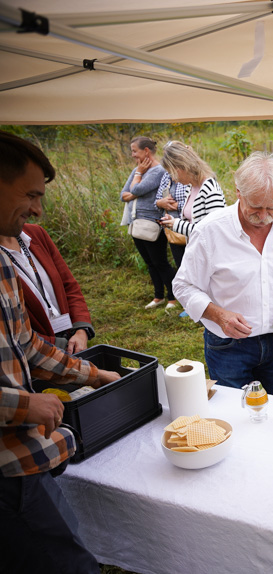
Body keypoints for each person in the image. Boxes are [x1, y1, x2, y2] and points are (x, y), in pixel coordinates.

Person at [0, 130, 121, 574]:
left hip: (25, 457)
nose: (37, 208)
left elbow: (26, 345)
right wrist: (25, 402)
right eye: (30, 194)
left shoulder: (3, 260)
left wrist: (95, 375)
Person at [172, 152, 273, 398]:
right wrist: (219, 315)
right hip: (228, 347)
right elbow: (183, 285)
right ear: (238, 192)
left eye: (271, 208)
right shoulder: (209, 231)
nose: (264, 216)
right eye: (255, 207)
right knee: (235, 418)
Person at [0, 223, 94, 352]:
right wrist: (58, 345)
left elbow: (69, 286)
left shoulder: (35, 234)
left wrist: (81, 329)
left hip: (70, 341)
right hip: (36, 356)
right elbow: (11, 330)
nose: (36, 210)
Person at [120, 136, 177, 310]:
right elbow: (123, 194)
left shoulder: (158, 171)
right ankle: (158, 296)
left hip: (153, 222)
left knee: (160, 262)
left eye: (134, 151)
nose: (132, 154)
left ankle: (173, 297)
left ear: (146, 151)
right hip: (136, 221)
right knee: (150, 263)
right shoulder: (138, 170)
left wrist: (136, 181)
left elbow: (135, 189)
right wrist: (136, 182)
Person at [158, 140, 226, 240]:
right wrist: (173, 221)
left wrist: (177, 224)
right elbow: (194, 224)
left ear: (181, 167)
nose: (173, 179)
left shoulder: (209, 187)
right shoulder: (190, 188)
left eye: (172, 173)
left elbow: (216, 230)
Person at [154, 171, 190, 268]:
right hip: (173, 230)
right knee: (181, 267)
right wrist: (160, 203)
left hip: (190, 229)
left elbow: (194, 204)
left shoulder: (191, 174)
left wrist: (177, 205)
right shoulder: (167, 175)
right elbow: (156, 201)